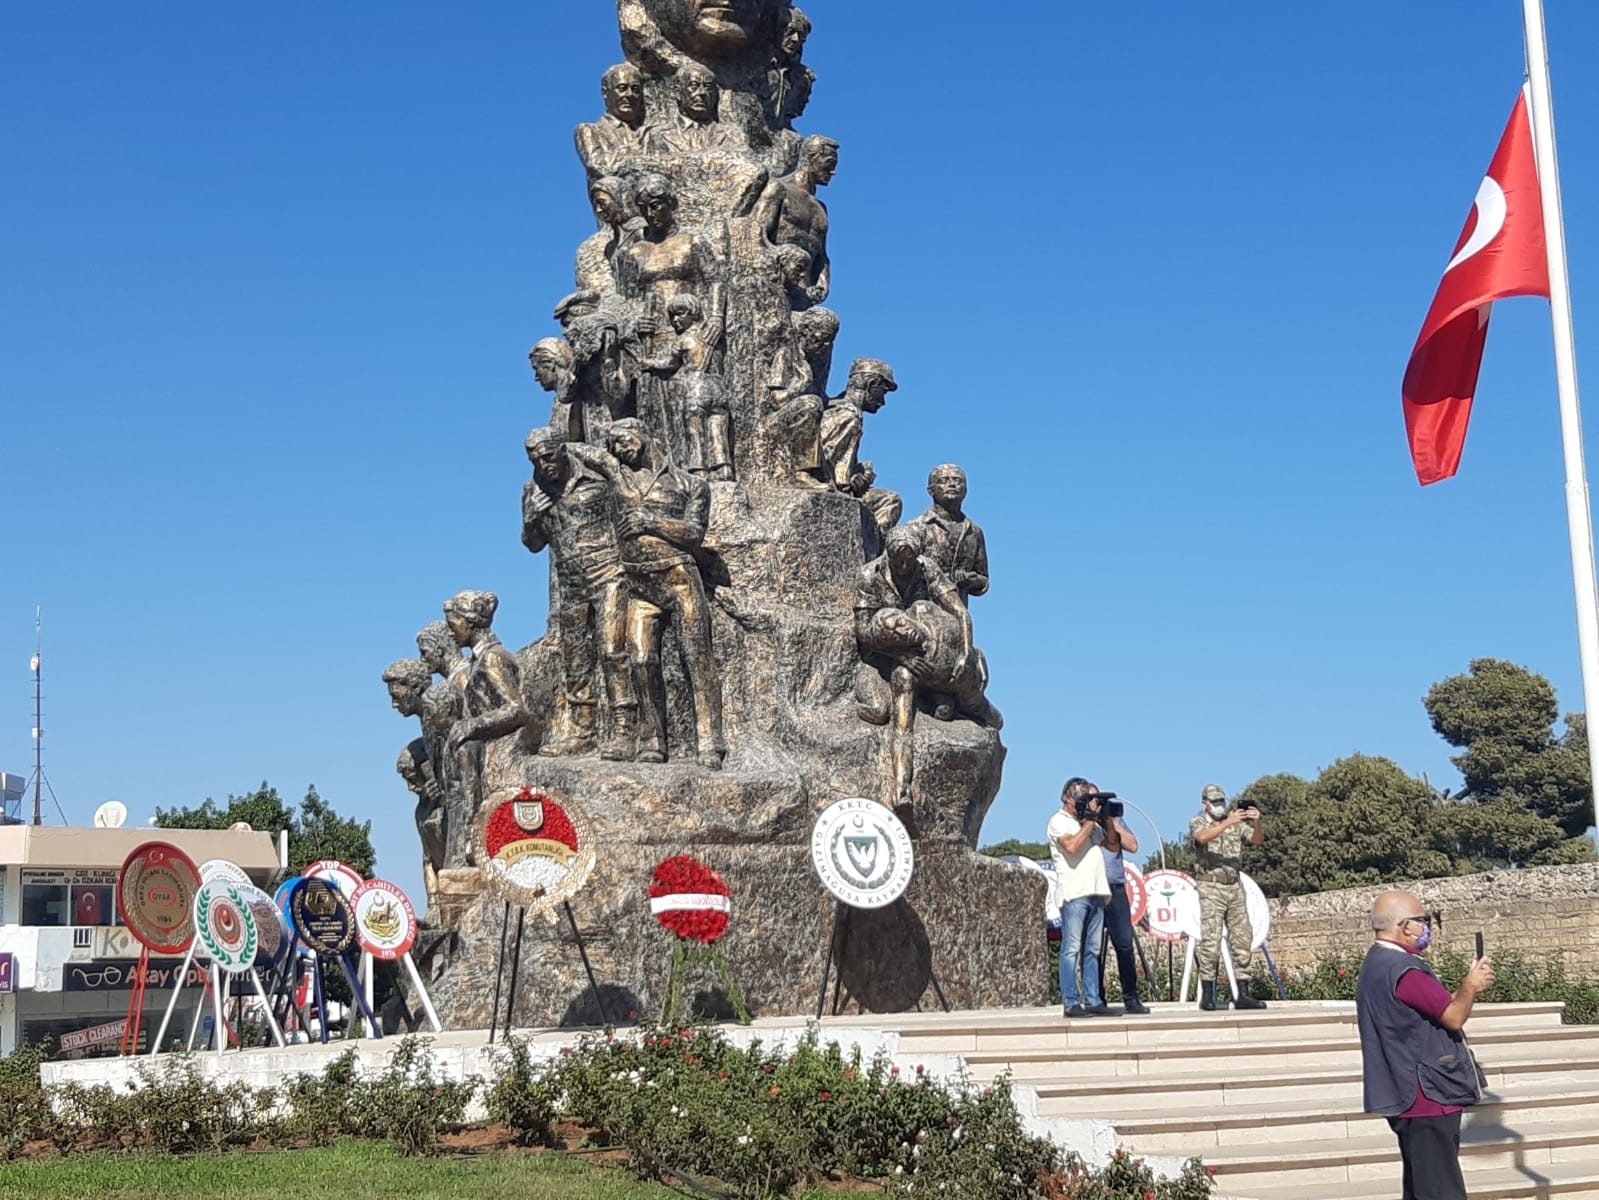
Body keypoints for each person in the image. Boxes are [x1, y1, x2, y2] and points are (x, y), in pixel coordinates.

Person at [1357, 890, 1495, 1200]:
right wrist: (1469, 986)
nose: (1427, 928)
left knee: (1420, 1187)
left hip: (1405, 1093)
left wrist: (1467, 989)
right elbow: (1454, 1016)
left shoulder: (1376, 962)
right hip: (1427, 1096)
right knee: (1439, 1190)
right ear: (1406, 926)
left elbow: (1431, 1012)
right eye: (1423, 921)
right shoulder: (1404, 970)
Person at [1188, 783, 1267, 1010]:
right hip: (1211, 886)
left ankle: (1243, 993)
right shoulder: (1199, 821)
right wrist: (1227, 823)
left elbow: (1257, 840)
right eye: (1214, 802)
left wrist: (1257, 822)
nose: (1219, 805)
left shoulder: (1237, 824)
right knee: (1210, 940)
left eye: (1221, 801)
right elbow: (1201, 838)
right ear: (1205, 803)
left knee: (1242, 938)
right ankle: (1207, 995)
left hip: (1234, 885)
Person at [1047, 778, 1112, 1017]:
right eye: (1081, 798)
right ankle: (1071, 1002)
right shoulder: (1058, 821)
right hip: (1074, 894)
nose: (1085, 803)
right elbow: (1072, 847)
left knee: (1093, 950)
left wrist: (1106, 817)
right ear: (1067, 798)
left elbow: (1112, 845)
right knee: (1072, 949)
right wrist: (1090, 820)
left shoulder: (1088, 824)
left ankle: (1093, 1000)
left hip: (1097, 892)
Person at [1097, 802, 1148, 1014]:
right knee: (1093, 947)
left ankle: (1131, 997)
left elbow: (1133, 846)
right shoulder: (1085, 823)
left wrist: (1112, 821)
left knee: (1125, 945)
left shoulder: (1115, 821)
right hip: (1094, 890)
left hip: (1116, 889)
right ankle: (1095, 997)